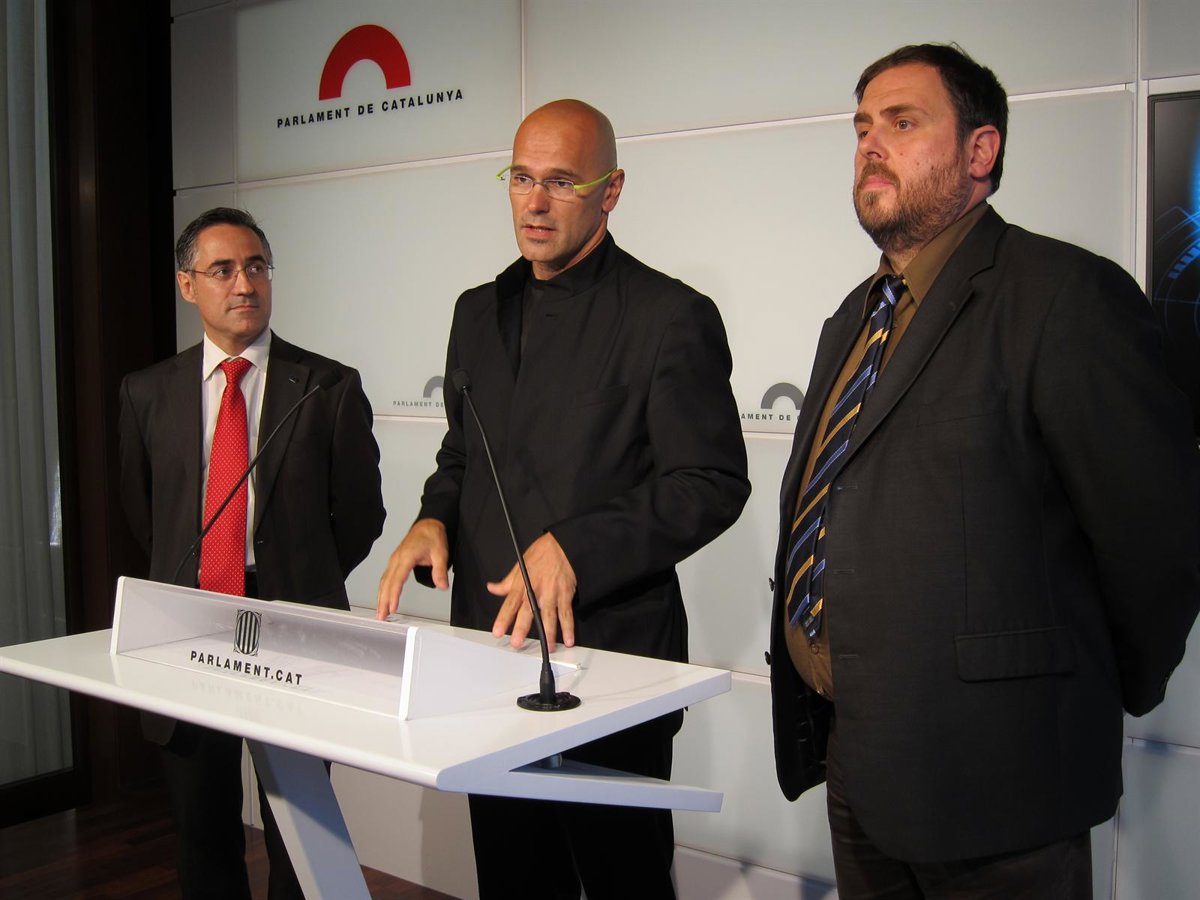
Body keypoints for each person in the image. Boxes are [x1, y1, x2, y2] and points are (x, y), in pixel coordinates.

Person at [768, 43, 1200, 898]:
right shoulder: (852, 318)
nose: (870, 145)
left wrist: (1079, 690)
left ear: (980, 150)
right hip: (859, 758)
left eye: (903, 122)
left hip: (1002, 779)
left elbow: (1156, 541)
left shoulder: (1064, 295)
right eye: (862, 127)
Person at [377, 99, 749, 898]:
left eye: (561, 182)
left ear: (611, 190)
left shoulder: (669, 316)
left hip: (611, 663)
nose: (535, 203)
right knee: (513, 882)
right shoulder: (476, 311)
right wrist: (434, 516)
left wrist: (579, 546)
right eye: (521, 179)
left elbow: (711, 482)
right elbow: (462, 453)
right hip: (489, 655)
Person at [119, 207, 385, 899]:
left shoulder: (326, 385)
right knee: (201, 825)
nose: (245, 284)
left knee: (298, 826)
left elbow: (361, 514)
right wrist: (208, 574)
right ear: (188, 285)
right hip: (189, 625)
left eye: (257, 267)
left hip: (294, 624)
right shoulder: (146, 391)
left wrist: (299, 575)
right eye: (223, 270)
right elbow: (145, 514)